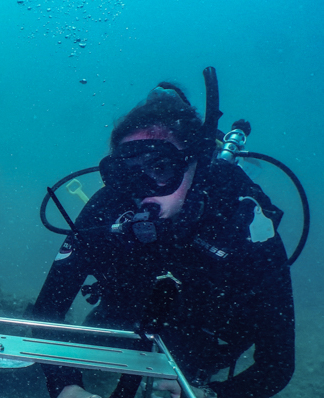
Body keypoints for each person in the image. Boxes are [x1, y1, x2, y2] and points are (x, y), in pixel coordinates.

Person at [33, 83, 295, 398]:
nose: (142, 188)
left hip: (203, 351)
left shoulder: (244, 222)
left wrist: (205, 394)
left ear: (196, 165)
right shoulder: (107, 208)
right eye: (127, 173)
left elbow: (277, 365)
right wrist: (67, 387)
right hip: (122, 327)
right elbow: (47, 313)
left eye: (160, 167)